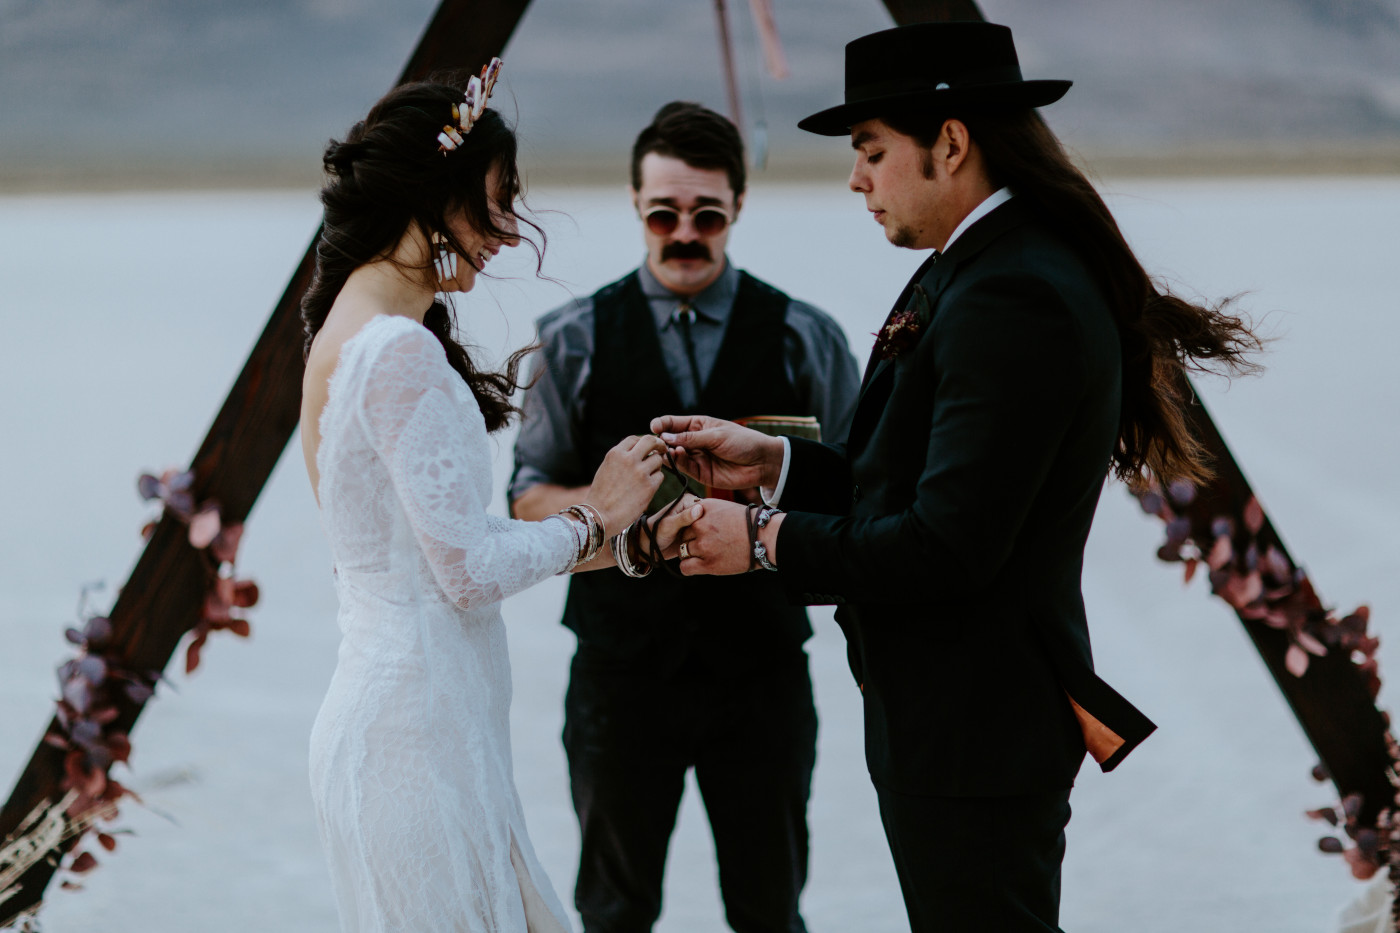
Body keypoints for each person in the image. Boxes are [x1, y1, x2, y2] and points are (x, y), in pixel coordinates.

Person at [654, 22, 1261, 933]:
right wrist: (776, 463)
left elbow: (948, 545)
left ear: (950, 142)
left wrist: (764, 542)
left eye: (870, 150)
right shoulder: (977, 267)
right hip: (953, 723)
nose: (856, 178)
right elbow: (909, 479)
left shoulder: (1014, 293)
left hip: (979, 732)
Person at [297, 69, 700, 933]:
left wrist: (627, 541)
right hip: (416, 746)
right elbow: (469, 571)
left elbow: (441, 552)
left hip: (410, 730)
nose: (510, 233)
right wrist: (598, 508)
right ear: (431, 193)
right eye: (494, 203)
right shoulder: (397, 350)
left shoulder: (348, 329)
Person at [509, 101, 860, 933]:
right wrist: (620, 514)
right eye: (664, 211)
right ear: (636, 205)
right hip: (619, 674)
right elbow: (527, 500)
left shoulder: (807, 338)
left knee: (772, 909)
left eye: (706, 213)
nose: (684, 231)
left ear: (737, 207)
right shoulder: (569, 341)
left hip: (764, 673)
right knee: (614, 911)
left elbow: (858, 490)